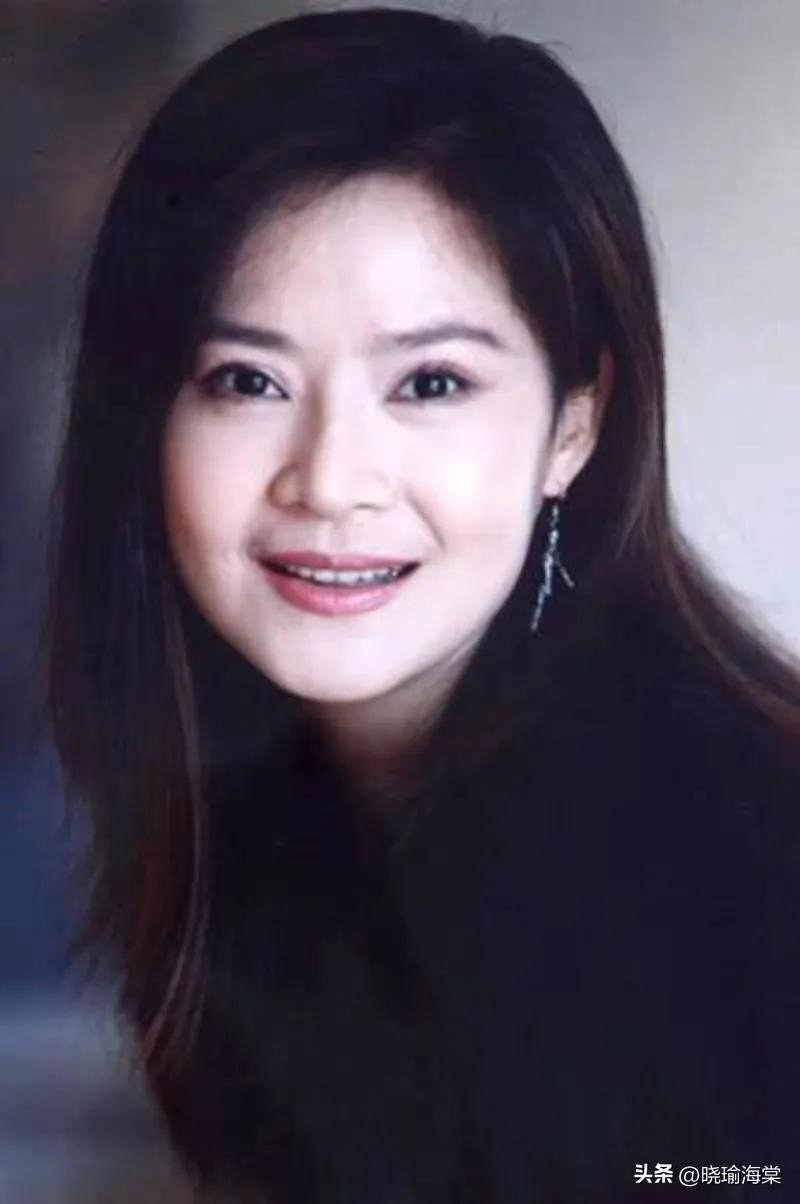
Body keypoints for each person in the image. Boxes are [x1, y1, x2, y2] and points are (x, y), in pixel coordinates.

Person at [43, 7, 800, 1202]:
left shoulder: (717, 856)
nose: (329, 479)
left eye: (431, 382)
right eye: (247, 380)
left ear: (573, 422)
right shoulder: (255, 808)